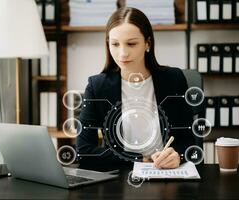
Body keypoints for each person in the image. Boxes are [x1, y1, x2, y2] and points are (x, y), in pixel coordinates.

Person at [76, 7, 195, 169]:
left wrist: (178, 156)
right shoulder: (97, 87)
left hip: (167, 174)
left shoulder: (174, 79)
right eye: (115, 44)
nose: (122, 53)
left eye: (131, 44)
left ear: (148, 43)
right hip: (120, 178)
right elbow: (83, 151)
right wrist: (139, 158)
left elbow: (189, 142)